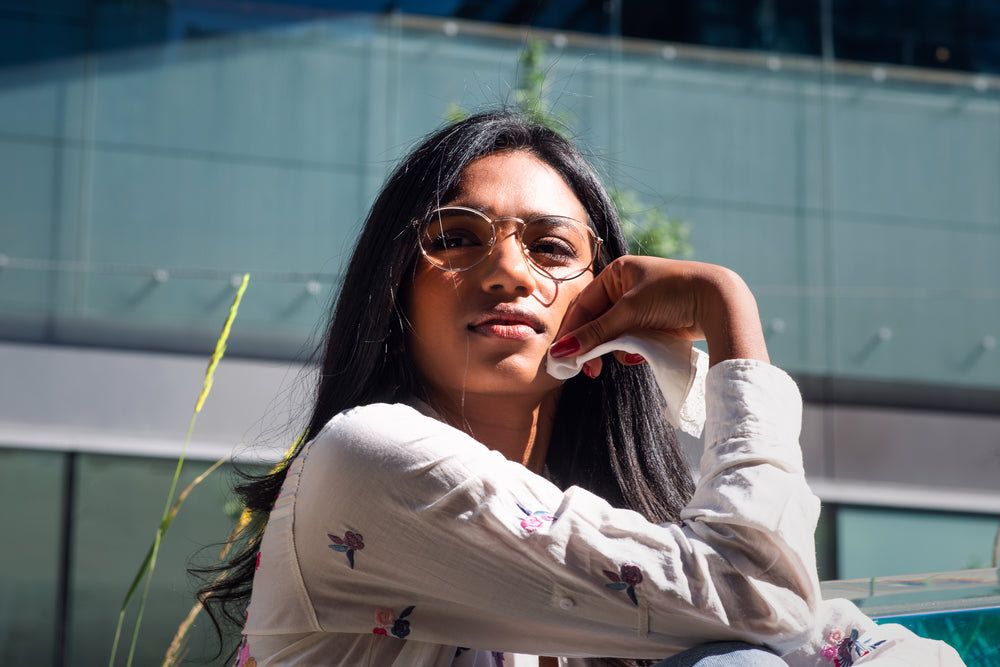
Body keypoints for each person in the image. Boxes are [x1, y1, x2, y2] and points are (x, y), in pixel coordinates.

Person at [194, 109, 965, 666]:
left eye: (552, 246)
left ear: (603, 304)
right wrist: (730, 314)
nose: (507, 272)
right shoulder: (366, 459)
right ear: (392, 287)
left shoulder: (611, 530)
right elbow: (760, 592)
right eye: (456, 237)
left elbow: (842, 635)